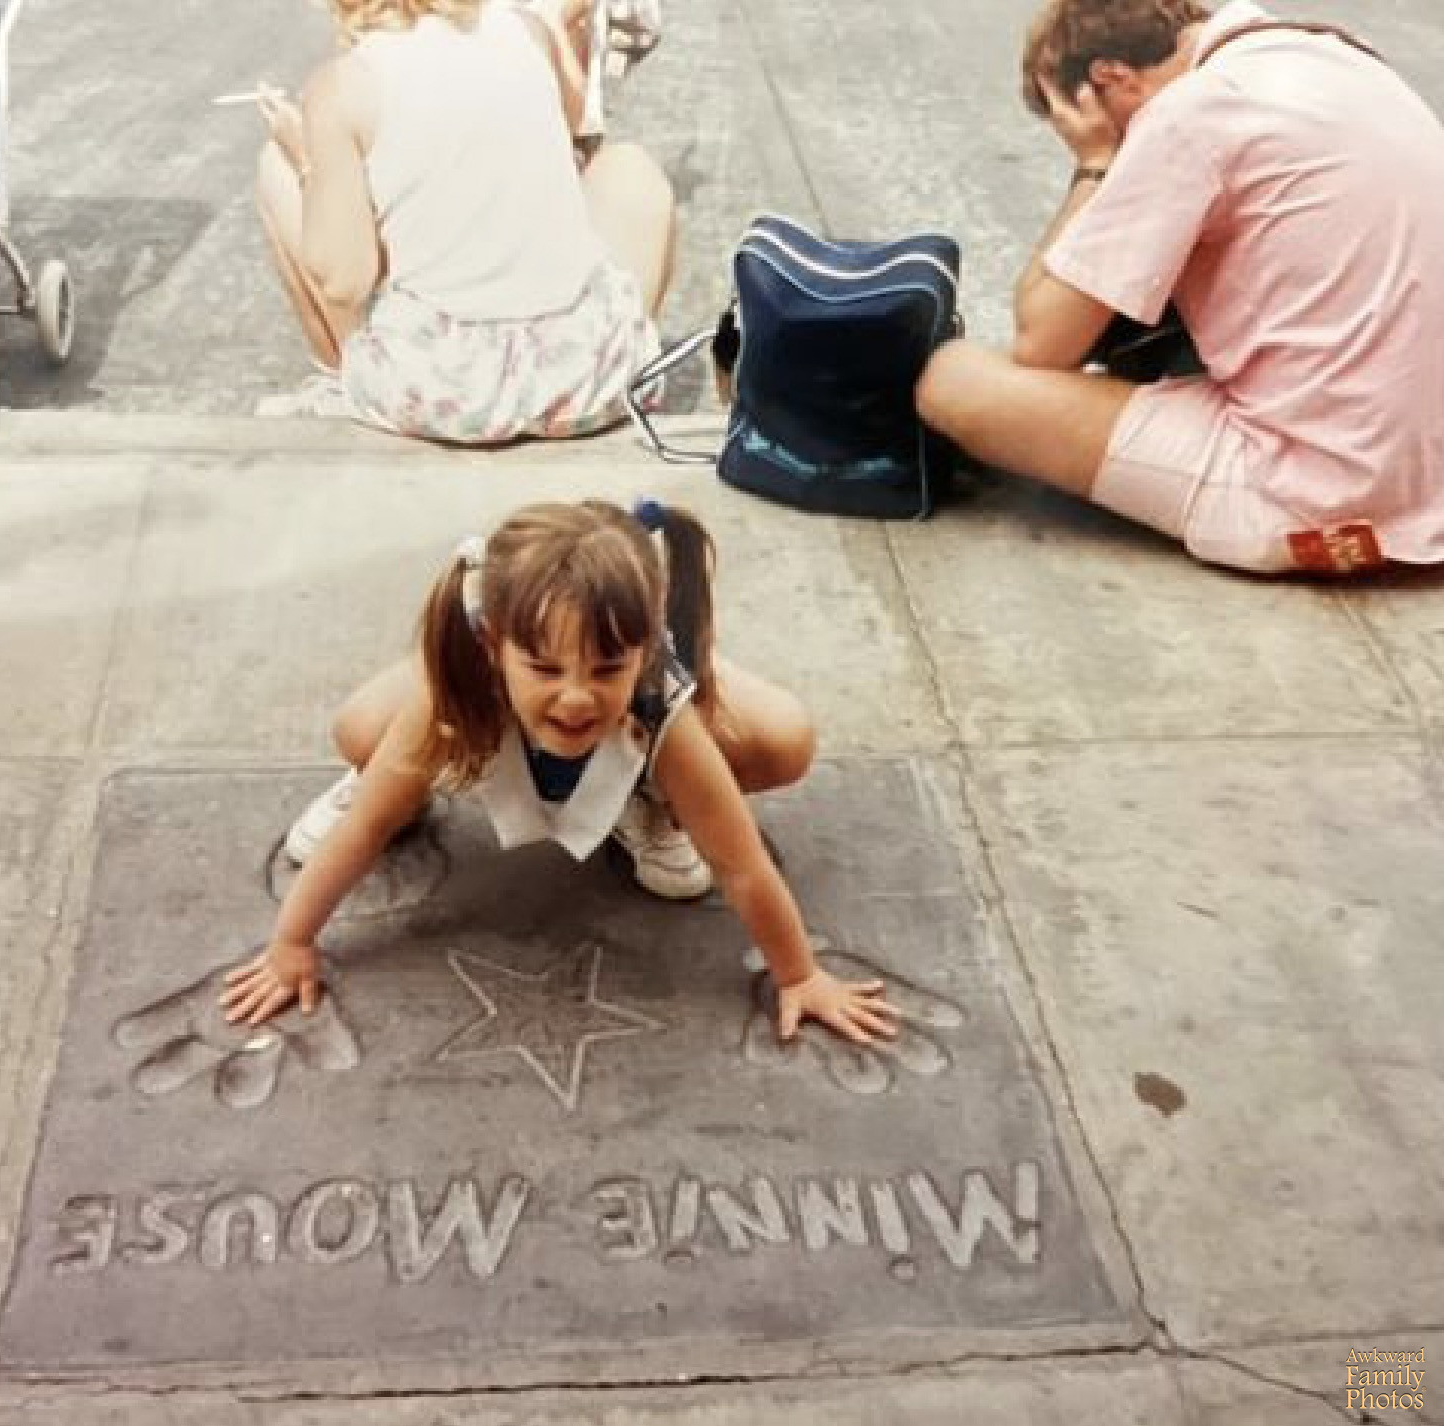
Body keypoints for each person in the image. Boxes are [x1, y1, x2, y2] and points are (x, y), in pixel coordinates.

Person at [220, 499, 899, 1046]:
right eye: (546, 669)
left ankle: (648, 792)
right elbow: (365, 830)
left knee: (775, 739)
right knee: (362, 735)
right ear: (493, 646)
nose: (575, 698)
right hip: (471, 698)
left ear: (645, 653)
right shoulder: (457, 688)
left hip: (632, 706)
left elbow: (742, 865)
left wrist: (799, 976)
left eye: (606, 669)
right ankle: (406, 776)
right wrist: (291, 944)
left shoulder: (658, 702)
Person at [915, 0, 1444, 575]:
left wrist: (1096, 164)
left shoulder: (1190, 116)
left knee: (954, 379)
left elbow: (1043, 342)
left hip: (1319, 500)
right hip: (1429, 474)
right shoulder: (1335, 57)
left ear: (1110, 78)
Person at [251, 0, 676, 444]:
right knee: (628, 169)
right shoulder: (528, 32)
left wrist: (308, 162)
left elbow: (346, 280)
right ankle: (617, 355)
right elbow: (564, 151)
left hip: (443, 397)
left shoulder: (342, 86)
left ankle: (338, 381)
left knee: (277, 170)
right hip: (585, 382)